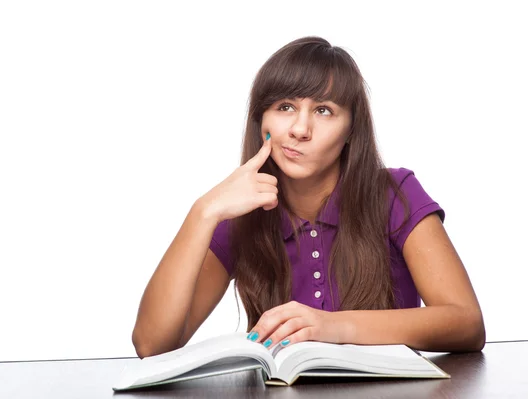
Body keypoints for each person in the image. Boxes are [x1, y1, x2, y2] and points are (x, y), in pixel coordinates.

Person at [131, 36, 486, 358]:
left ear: (351, 130)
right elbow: (151, 344)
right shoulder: (239, 217)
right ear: (261, 121)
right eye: (285, 107)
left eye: (323, 110)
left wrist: (334, 328)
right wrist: (203, 212)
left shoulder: (394, 194)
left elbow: (467, 323)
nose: (300, 130)